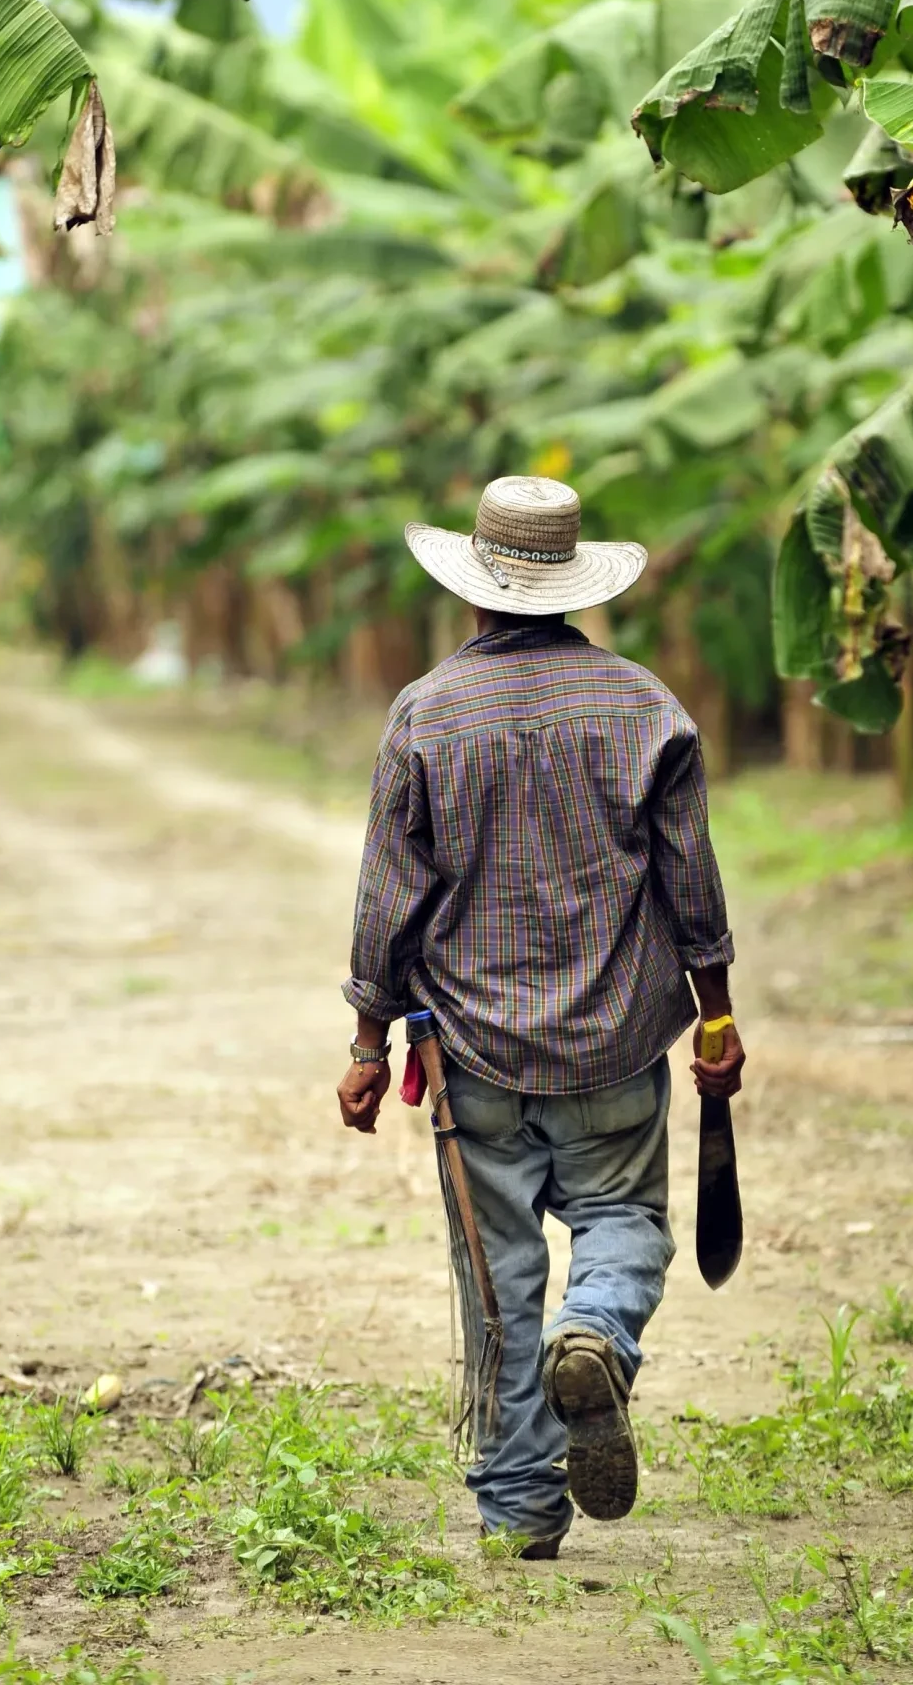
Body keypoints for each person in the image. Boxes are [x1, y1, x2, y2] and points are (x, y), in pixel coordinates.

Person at [336, 475, 745, 1558]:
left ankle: (519, 1506)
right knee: (624, 1221)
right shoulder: (646, 707)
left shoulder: (425, 712)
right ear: (573, 584)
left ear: (473, 587)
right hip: (614, 1043)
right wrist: (717, 1019)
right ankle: (598, 1331)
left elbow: (390, 896)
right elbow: (691, 885)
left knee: (498, 1274)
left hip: (470, 1052)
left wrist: (367, 1042)